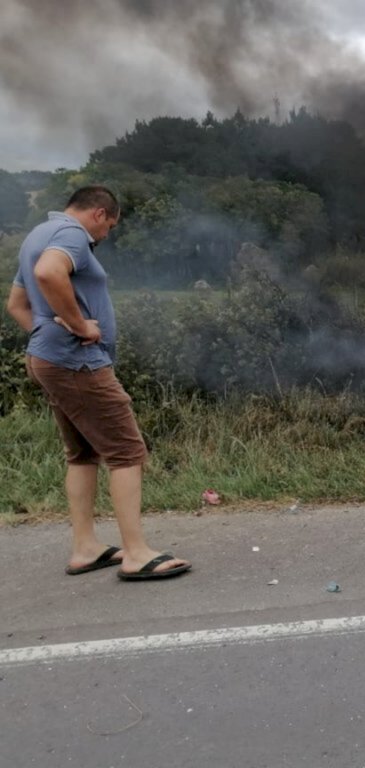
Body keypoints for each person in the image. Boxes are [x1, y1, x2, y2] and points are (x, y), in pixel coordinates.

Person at [5, 186, 192, 580]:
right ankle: (137, 553)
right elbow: (48, 273)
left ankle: (85, 547)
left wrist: (45, 337)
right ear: (100, 213)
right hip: (77, 364)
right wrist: (78, 327)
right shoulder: (72, 235)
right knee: (127, 452)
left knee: (83, 454)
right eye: (109, 226)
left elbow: (16, 306)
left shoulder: (37, 235)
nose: (105, 236)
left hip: (50, 359)